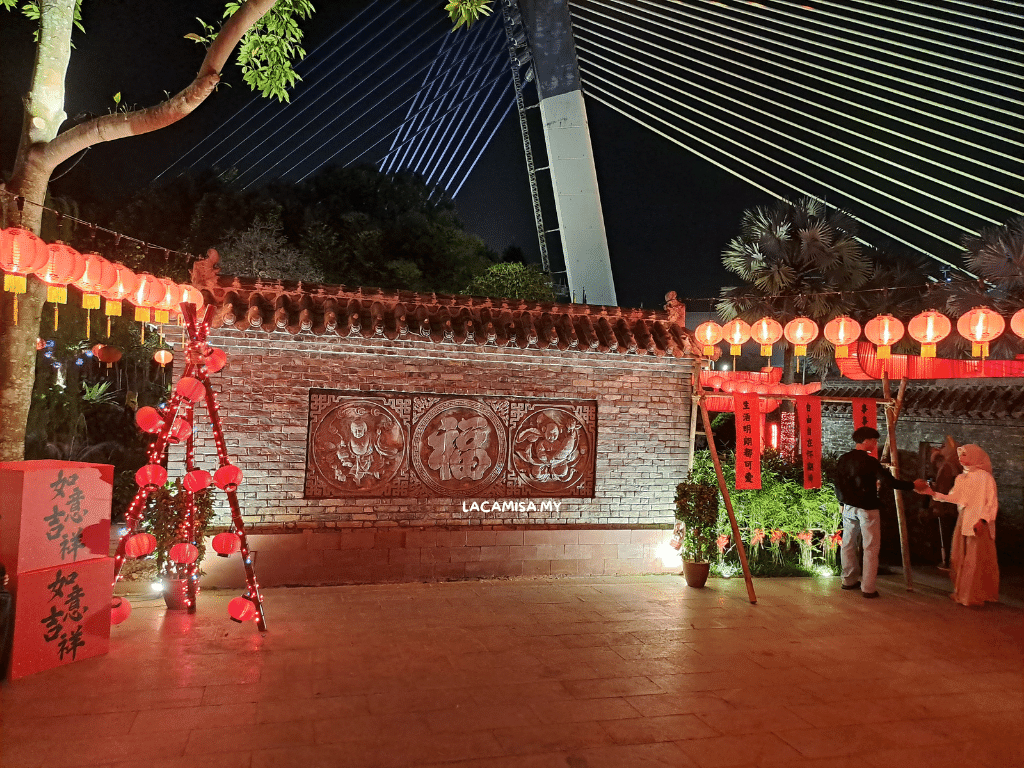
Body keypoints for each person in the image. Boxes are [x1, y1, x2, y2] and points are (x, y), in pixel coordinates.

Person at [834, 426, 917, 598]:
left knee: (848, 544)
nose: (875, 443)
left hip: (848, 507)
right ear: (866, 441)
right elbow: (889, 482)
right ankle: (868, 587)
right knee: (870, 547)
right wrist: (913, 485)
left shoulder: (843, 459)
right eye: (874, 440)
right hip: (868, 507)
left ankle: (848, 580)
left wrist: (841, 501)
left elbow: (838, 483)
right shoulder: (870, 462)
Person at [915, 444, 999, 606]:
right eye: (960, 456)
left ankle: (971, 595)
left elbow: (991, 502)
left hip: (979, 520)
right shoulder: (962, 478)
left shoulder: (985, 478)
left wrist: (983, 521)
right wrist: (932, 493)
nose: (961, 459)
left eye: (965, 455)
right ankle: (962, 591)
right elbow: (954, 497)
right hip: (964, 518)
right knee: (958, 557)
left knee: (974, 560)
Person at [928, 437, 962, 569]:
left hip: (947, 508)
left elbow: (943, 489)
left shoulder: (946, 468)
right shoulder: (955, 467)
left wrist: (936, 504)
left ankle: (947, 561)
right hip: (955, 506)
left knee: (947, 535)